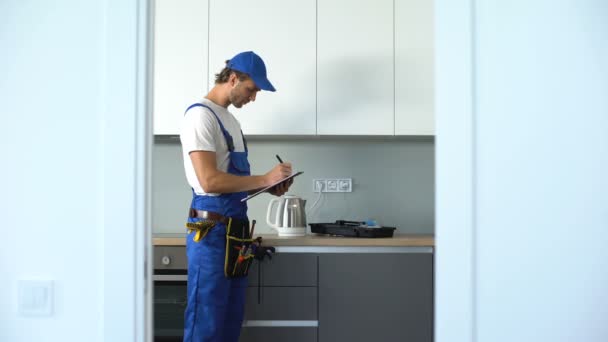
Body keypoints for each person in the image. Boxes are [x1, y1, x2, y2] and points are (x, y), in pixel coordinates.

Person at [179, 51, 293, 341]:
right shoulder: (199, 116)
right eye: (251, 90)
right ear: (233, 79)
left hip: (236, 235)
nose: (253, 98)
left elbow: (237, 182)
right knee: (206, 323)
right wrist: (265, 178)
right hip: (211, 234)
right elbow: (209, 179)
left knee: (229, 323)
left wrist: (268, 186)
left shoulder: (231, 122)